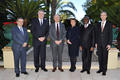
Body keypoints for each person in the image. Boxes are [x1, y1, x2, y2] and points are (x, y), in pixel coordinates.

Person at [95, 11, 113, 76]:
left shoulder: (109, 24)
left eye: (104, 15)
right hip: (99, 44)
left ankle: (104, 70)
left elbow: (110, 35)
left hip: (106, 44)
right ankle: (100, 69)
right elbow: (96, 34)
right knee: (100, 57)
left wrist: (109, 44)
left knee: (105, 57)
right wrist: (96, 42)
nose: (103, 16)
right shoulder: (98, 24)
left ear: (106, 16)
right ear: (100, 16)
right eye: (101, 15)